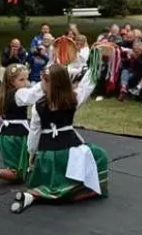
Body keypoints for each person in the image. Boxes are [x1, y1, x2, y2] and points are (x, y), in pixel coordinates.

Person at [11, 63, 108, 213]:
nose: (40, 84)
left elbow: (34, 132)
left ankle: (32, 195)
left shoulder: (38, 106)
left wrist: (32, 153)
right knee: (99, 155)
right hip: (70, 151)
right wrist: (95, 64)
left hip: (47, 154)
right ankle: (78, 191)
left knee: (49, 180)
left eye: (43, 81)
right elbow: (86, 86)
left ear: (50, 83)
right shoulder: (73, 99)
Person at [0, 64, 43, 187]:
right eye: (21, 80)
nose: (26, 83)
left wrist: (1, 123)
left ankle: (29, 172)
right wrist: (45, 83)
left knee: (24, 165)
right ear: (11, 81)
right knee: (18, 174)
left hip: (5, 134)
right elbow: (31, 97)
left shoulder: (2, 95)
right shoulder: (18, 94)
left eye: (27, 79)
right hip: (17, 136)